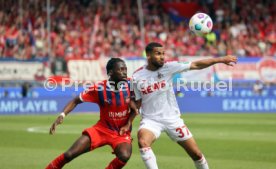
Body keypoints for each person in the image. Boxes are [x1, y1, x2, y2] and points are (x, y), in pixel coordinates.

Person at [132, 42, 237, 169]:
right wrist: (128, 122)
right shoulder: (137, 76)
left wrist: (220, 59)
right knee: (143, 142)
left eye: (163, 53)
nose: (162, 57)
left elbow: (196, 64)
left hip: (173, 120)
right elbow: (137, 102)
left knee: (196, 154)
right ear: (148, 55)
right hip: (151, 120)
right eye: (158, 53)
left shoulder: (169, 67)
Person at [46, 58, 138, 169]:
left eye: (125, 69)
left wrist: (129, 123)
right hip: (101, 130)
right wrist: (62, 115)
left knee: (124, 155)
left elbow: (138, 105)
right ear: (110, 72)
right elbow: (76, 100)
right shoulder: (99, 88)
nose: (124, 72)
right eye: (121, 69)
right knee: (69, 154)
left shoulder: (131, 85)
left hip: (121, 132)